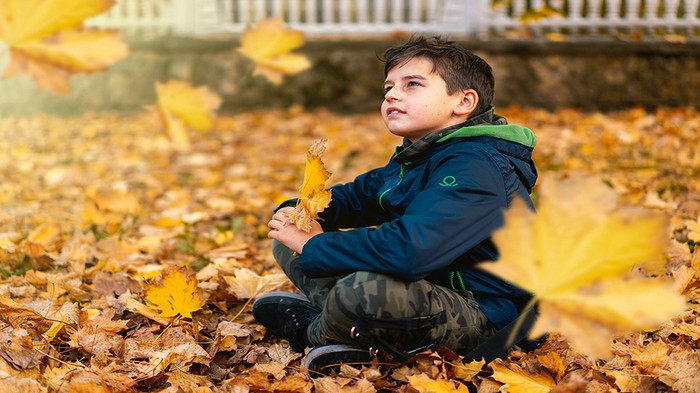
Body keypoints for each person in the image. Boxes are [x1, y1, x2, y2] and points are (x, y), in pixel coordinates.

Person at [252, 35, 538, 376]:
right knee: (291, 238)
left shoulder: (477, 166)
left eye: (412, 84)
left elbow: (412, 250)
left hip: (489, 312)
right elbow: (358, 196)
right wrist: (299, 210)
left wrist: (315, 244)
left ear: (463, 102)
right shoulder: (419, 156)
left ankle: (311, 331)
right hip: (432, 286)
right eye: (388, 87)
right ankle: (343, 321)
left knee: (364, 290)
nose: (392, 94)